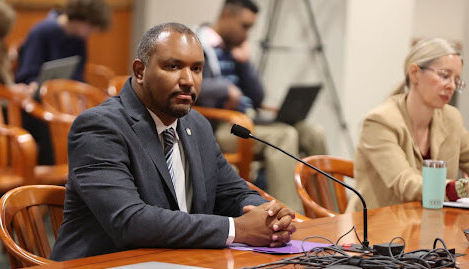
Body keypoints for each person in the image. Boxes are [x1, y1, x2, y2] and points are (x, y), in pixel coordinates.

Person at [50, 22, 296, 261]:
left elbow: (232, 193)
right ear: (140, 71)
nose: (188, 80)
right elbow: (130, 222)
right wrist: (237, 229)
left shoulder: (195, 125)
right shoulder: (99, 127)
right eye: (173, 66)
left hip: (176, 259)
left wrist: (268, 216)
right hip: (105, 262)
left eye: (197, 69)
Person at [194, 0, 326, 211]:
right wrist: (224, 88)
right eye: (244, 26)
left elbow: (257, 96)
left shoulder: (234, 49)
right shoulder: (198, 43)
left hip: (248, 118)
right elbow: (195, 87)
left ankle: (327, 209)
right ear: (227, 15)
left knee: (312, 132)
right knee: (284, 135)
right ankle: (293, 214)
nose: (247, 34)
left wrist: (245, 63)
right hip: (223, 125)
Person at [347, 38, 469, 212]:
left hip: (431, 225)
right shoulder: (380, 121)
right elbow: (405, 183)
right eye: (445, 75)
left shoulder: (451, 118)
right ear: (415, 73)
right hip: (376, 230)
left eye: (456, 80)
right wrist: (459, 188)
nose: (451, 86)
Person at [14, 0, 111, 84]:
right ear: (80, 18)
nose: (91, 33)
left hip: (65, 95)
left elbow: (78, 75)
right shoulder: (42, 31)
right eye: (91, 28)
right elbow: (26, 75)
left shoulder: (78, 38)